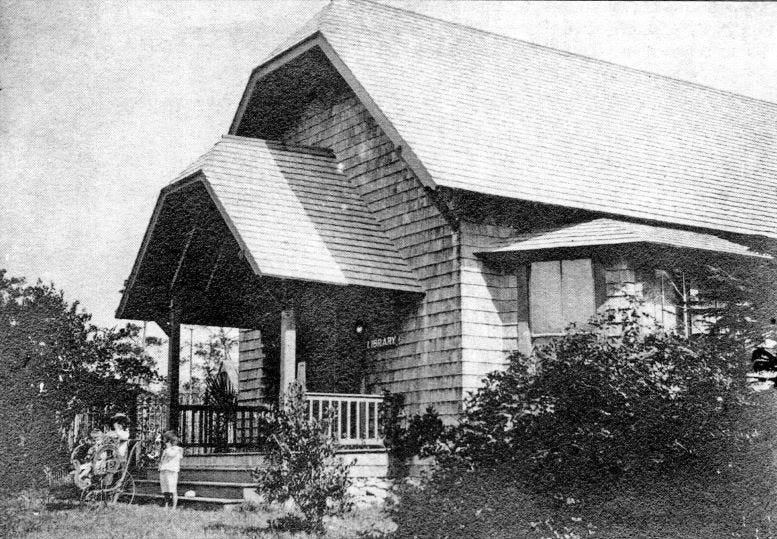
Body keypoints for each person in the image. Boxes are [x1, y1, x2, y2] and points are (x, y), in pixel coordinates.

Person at [159, 430, 183, 509]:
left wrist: (168, 448)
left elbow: (171, 455)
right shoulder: (166, 449)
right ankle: (166, 505)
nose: (163, 441)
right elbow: (162, 459)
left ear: (170, 440)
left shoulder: (177, 449)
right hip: (164, 470)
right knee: (165, 489)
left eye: (165, 439)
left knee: (172, 489)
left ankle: (174, 506)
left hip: (171, 471)